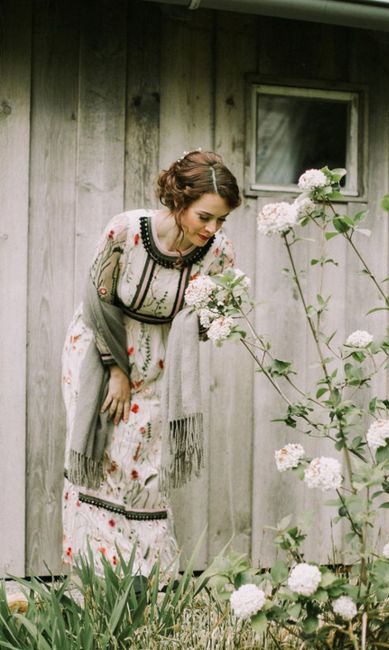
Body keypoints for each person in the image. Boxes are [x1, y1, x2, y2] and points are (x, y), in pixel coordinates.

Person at [61, 150, 241, 578]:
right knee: (102, 458)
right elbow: (97, 298)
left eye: (221, 221)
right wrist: (116, 372)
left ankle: (145, 579)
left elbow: (213, 313)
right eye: (205, 217)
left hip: (159, 358)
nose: (212, 229)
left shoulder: (219, 252)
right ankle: (93, 578)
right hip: (101, 345)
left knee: (145, 463)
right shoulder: (126, 231)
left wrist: (216, 315)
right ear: (178, 202)